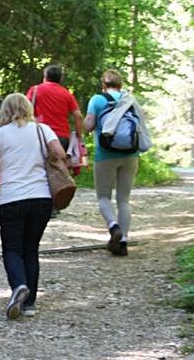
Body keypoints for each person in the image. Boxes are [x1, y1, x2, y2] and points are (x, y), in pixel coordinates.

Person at [0, 94, 67, 319]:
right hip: (41, 198)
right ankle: (29, 304)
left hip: (11, 199)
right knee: (31, 249)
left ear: (4, 112)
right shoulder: (42, 130)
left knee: (12, 249)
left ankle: (19, 285)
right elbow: (60, 154)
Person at [84, 69, 140, 257]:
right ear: (120, 84)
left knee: (103, 197)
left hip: (105, 154)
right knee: (124, 199)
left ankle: (113, 226)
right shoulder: (131, 100)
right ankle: (123, 242)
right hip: (131, 154)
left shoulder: (98, 100)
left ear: (103, 85)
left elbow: (89, 125)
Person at [26, 64, 84, 151]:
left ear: (45, 77)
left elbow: (24, 109)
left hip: (40, 135)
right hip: (61, 137)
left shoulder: (35, 90)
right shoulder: (67, 94)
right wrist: (79, 136)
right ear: (60, 79)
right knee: (59, 163)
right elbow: (78, 116)